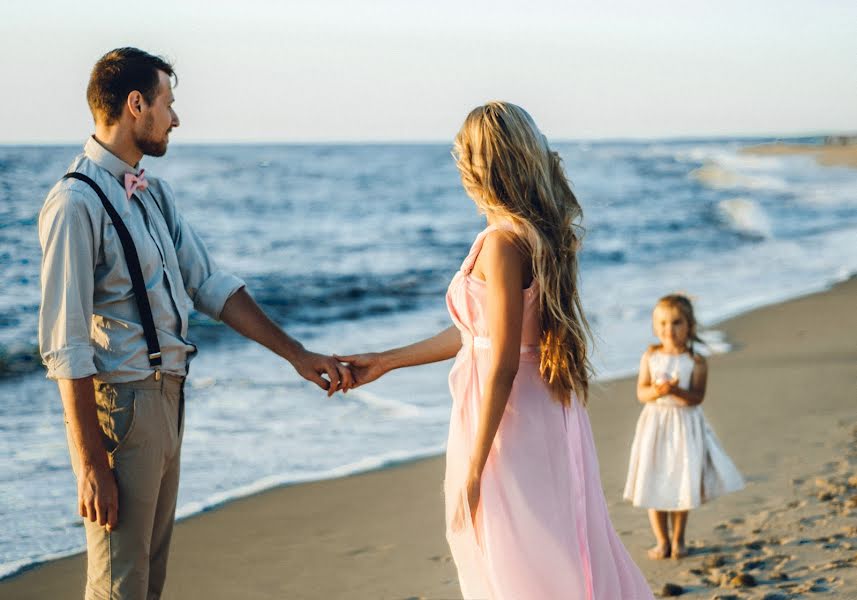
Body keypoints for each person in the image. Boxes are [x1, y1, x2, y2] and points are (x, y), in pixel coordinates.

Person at [38, 47, 351, 599]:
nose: (175, 118)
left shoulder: (155, 194)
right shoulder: (74, 202)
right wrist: (90, 462)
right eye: (168, 103)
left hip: (169, 401)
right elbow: (65, 344)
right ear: (136, 105)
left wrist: (297, 355)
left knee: (147, 580)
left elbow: (210, 285)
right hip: (123, 409)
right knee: (118, 584)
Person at [338, 102, 654, 599]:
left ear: (477, 164)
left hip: (509, 420)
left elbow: (503, 361)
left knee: (517, 554)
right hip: (539, 408)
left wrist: (474, 466)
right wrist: (385, 361)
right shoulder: (534, 235)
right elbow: (478, 336)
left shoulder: (502, 244)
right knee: (551, 546)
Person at [623, 294, 744, 560]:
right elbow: (641, 393)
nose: (669, 329)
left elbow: (698, 397)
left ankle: (678, 540)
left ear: (689, 325)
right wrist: (657, 390)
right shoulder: (650, 356)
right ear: (655, 326)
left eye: (677, 323)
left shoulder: (696, 361)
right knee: (653, 480)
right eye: (663, 323)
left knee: (681, 481)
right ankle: (661, 541)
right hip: (655, 424)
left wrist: (677, 390)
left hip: (683, 425)